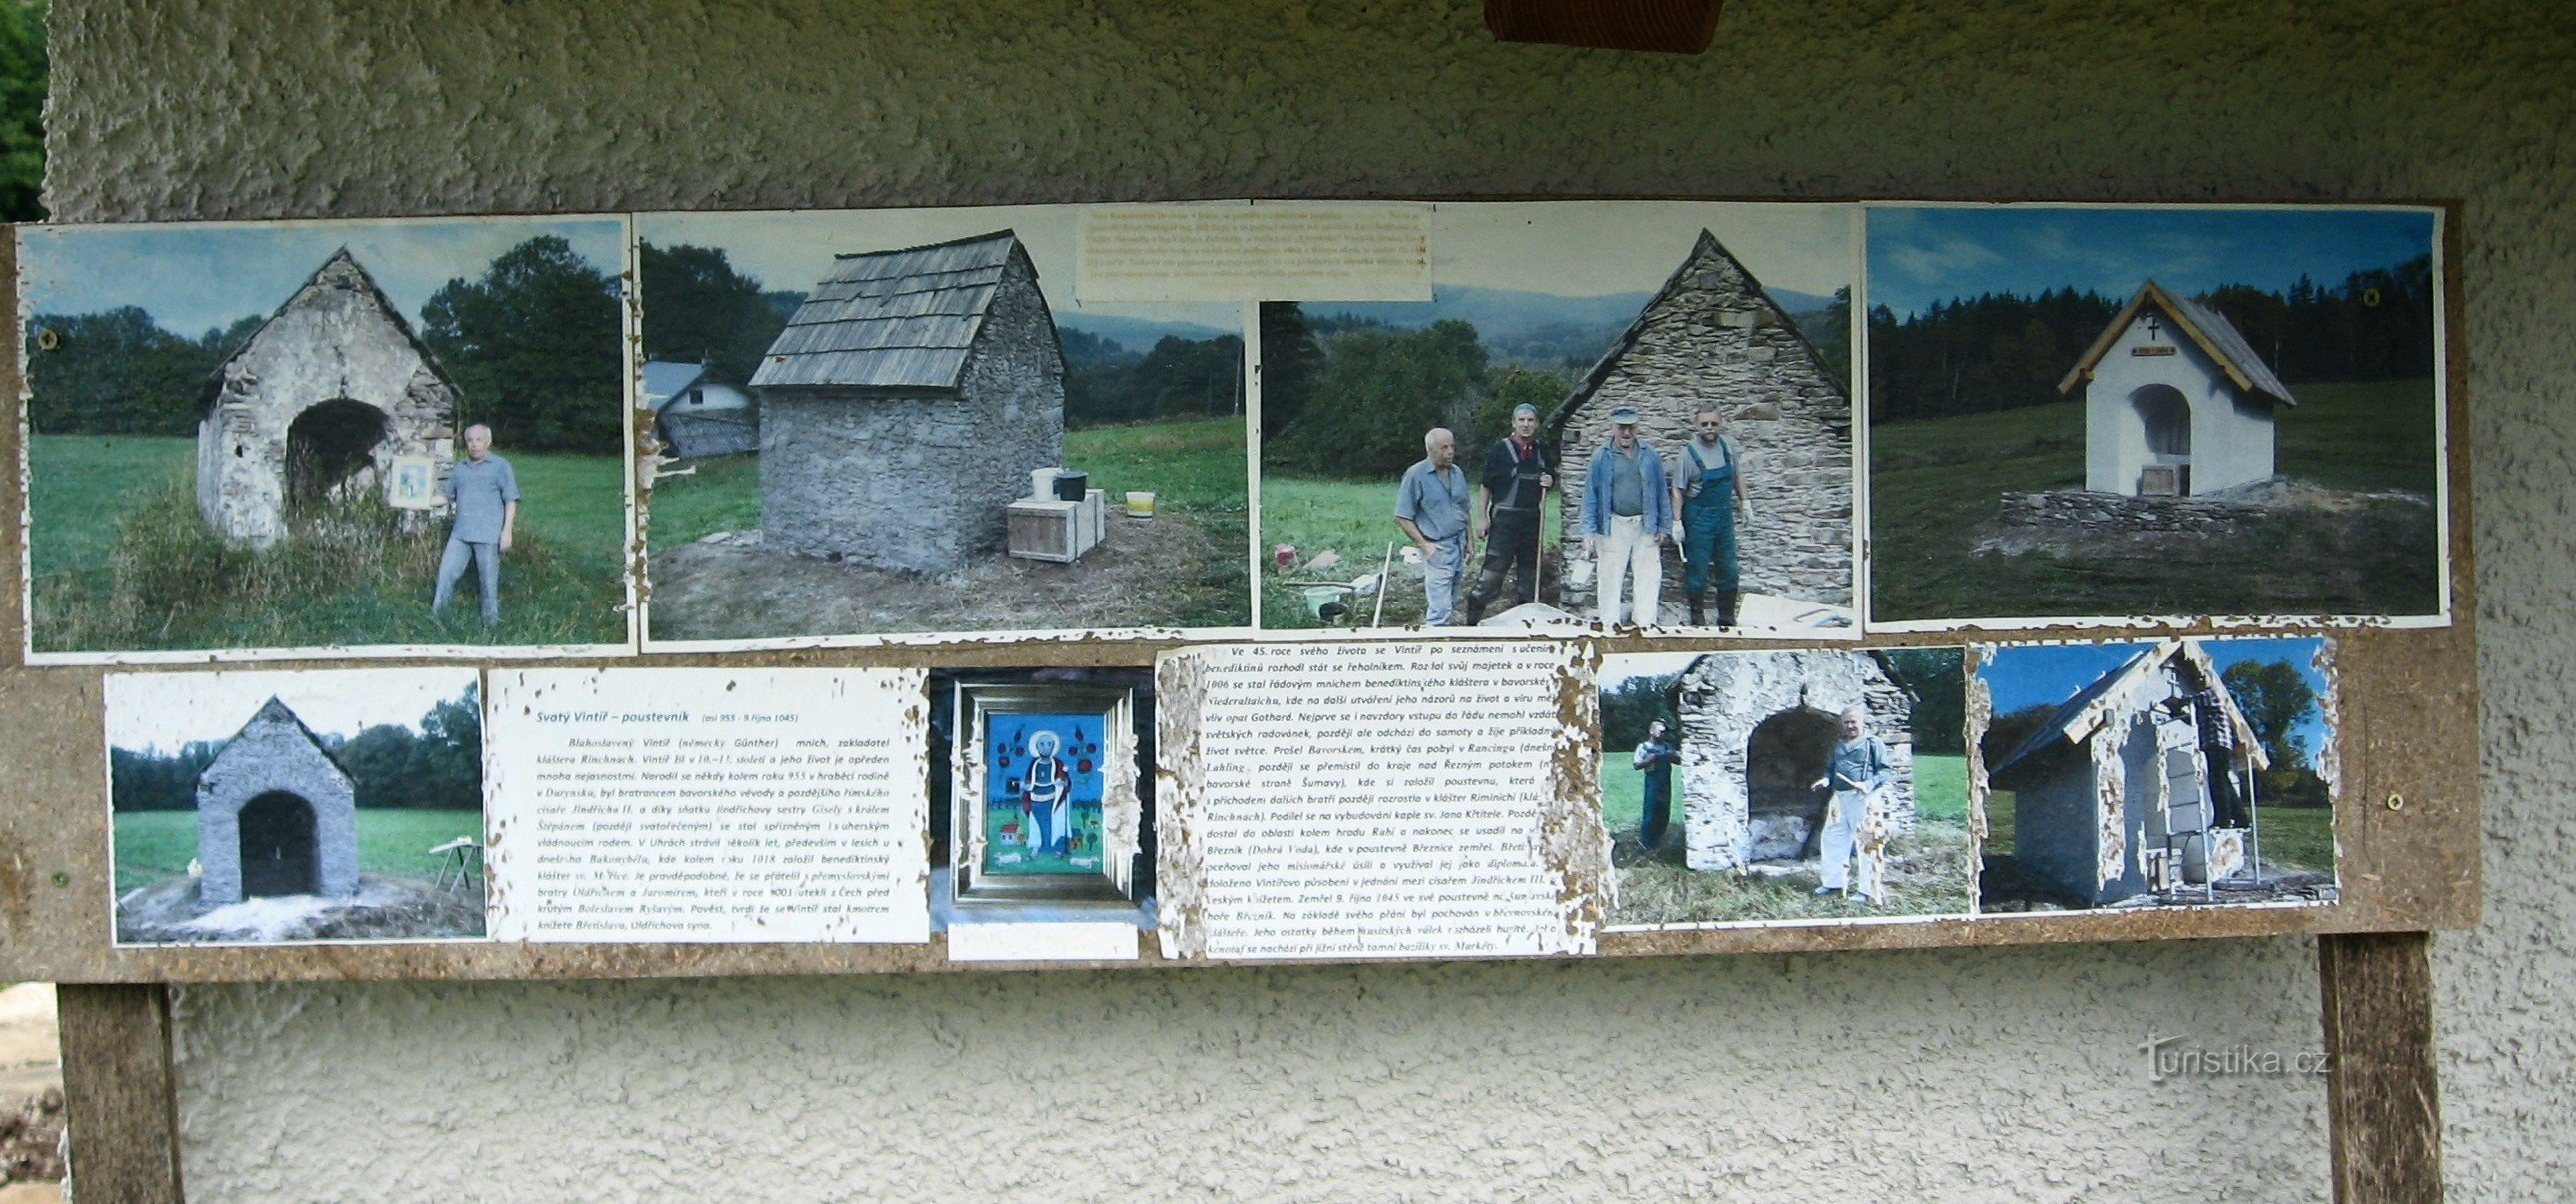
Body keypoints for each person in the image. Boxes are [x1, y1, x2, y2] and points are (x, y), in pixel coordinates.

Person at [1577, 407, 1671, 627]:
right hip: (1613, 524)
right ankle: (1610, 625)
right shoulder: (1601, 456)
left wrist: (1664, 526)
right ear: (1613, 428)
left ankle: (1645, 625)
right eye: (1622, 428)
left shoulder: (1650, 455)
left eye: (1631, 427)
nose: (1627, 433)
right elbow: (1591, 494)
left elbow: (1661, 492)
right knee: (1609, 575)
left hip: (1645, 524)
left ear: (1637, 428)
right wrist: (1588, 531)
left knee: (1649, 576)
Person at [1464, 404, 1556, 625]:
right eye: (1522, 420)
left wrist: (1550, 480)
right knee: (1492, 574)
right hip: (1505, 521)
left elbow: (1551, 476)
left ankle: (1524, 626)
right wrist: (1483, 517)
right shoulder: (1500, 449)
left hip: (1532, 520)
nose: (1526, 424)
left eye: (1531, 420)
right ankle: (1472, 622)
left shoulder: (1542, 450)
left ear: (1537, 423)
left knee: (1529, 577)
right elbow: (1486, 486)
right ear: (1513, 423)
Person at [1668, 406, 1751, 627]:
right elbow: (1677, 489)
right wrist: (1677, 522)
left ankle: (1726, 617)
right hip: (1698, 517)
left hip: (1723, 516)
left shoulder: (1728, 448)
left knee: (1729, 567)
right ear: (1697, 426)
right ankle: (1697, 617)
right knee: (1698, 569)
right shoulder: (1688, 454)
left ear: (1721, 424)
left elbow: (1737, 475)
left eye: (1713, 423)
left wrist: (1745, 502)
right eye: (1704, 424)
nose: (1709, 428)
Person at [431, 423, 519, 625]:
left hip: (489, 534)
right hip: (461, 533)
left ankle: (491, 625)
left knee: (488, 582)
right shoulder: (460, 468)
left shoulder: (501, 466)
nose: (474, 444)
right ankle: (437, 619)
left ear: (488, 442)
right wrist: (420, 500)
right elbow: (446, 496)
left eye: (479, 439)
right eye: (470, 439)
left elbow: (511, 499)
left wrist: (507, 532)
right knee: (446, 575)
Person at [1393, 427, 1472, 626]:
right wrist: (1425, 544)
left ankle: (1447, 642)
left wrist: (1470, 541)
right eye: (1444, 447)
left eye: (1452, 446)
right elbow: (1403, 515)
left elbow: (1465, 509)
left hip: (1459, 542)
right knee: (1440, 609)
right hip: (1438, 546)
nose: (1450, 452)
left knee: (1453, 600)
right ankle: (1433, 649)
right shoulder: (1416, 475)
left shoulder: (1457, 472)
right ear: (1430, 449)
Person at [1811, 706, 1892, 900]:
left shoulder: (1873, 743)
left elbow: (1884, 771)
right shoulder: (1838, 746)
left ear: (1862, 722)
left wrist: (1867, 784)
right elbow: (1831, 770)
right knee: (1832, 838)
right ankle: (1833, 884)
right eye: (1846, 723)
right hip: (1839, 798)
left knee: (1866, 843)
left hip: (1863, 799)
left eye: (1853, 722)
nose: (1850, 726)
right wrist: (1825, 780)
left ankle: (1867, 890)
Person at [1022, 728, 1072, 857]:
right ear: (1036, 747)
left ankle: (1057, 848)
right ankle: (1036, 848)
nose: (1045, 748)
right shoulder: (1034, 764)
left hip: (1053, 800)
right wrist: (1025, 786)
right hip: (1035, 800)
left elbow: (1065, 781)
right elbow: (1029, 781)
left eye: (1049, 745)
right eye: (1041, 745)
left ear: (1054, 747)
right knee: (1037, 826)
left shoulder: (1058, 763)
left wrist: (1062, 783)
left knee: (1054, 825)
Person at [1633, 719, 1680, 853]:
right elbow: (1636, 765)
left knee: (1663, 812)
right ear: (1652, 732)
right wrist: (1649, 760)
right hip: (1652, 783)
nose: (1663, 735)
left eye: (1664, 732)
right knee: (1651, 812)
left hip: (1665, 783)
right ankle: (1647, 844)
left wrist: (1672, 756)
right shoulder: (1643, 747)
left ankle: (1660, 841)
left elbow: (1679, 761)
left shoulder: (1667, 747)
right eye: (1660, 732)